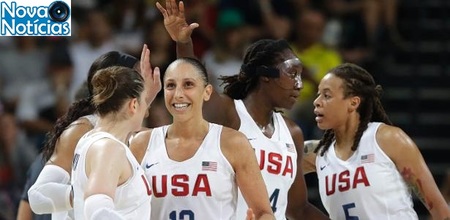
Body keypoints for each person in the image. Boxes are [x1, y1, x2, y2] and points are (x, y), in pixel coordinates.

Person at [155, 1, 329, 219]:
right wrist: (184, 43)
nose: (299, 84)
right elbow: (194, 84)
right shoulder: (229, 112)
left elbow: (297, 208)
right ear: (266, 75)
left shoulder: (292, 131)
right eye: (292, 73)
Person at [130, 57, 274, 219]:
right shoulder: (142, 144)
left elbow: (264, 213)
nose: (178, 94)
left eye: (188, 84)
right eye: (171, 85)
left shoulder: (233, 143)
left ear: (207, 92)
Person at [302, 63, 450, 219]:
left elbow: (441, 212)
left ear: (353, 102)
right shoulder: (318, 153)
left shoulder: (387, 138)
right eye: (318, 94)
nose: (317, 101)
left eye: (326, 95)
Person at [27, 45, 159, 219]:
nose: (145, 81)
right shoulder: (84, 131)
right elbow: (38, 196)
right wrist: (85, 194)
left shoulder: (118, 133)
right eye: (139, 76)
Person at [71, 60, 160, 219]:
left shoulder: (92, 139)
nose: (146, 110)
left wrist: (145, 94)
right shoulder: (109, 149)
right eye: (144, 102)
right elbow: (96, 210)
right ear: (133, 105)